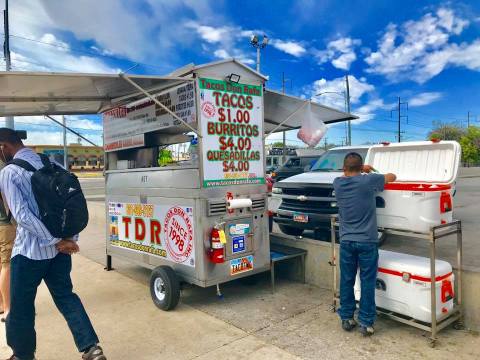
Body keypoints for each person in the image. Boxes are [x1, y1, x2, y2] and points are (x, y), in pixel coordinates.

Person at [0, 128, 106, 360]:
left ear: (4, 148)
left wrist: (54, 241)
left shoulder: (10, 172)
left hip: (29, 253)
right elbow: (72, 204)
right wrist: (68, 240)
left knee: (20, 306)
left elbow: (22, 216)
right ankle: (91, 349)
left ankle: (22, 355)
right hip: (60, 253)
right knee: (66, 296)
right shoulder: (53, 164)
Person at [333, 152, 396, 336]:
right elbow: (392, 176)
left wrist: (359, 170)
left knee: (347, 280)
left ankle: (346, 317)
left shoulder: (338, 183)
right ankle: (366, 323)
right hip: (367, 242)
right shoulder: (369, 181)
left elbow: (344, 174)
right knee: (367, 282)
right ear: (361, 168)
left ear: (344, 168)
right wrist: (368, 171)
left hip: (346, 241)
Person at [0, 160, 16, 323]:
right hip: (6, 224)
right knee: (7, 265)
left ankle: (1, 304)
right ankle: (8, 308)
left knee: (1, 263)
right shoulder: (4, 169)